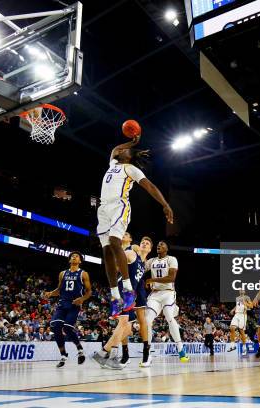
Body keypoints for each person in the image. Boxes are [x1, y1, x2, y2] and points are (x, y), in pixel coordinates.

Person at [97, 133, 174, 317]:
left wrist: (165, 204)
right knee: (107, 250)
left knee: (116, 242)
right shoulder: (113, 163)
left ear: (129, 156)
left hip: (119, 206)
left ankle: (128, 288)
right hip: (103, 208)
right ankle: (115, 296)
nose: (120, 150)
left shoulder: (131, 169)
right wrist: (131, 142)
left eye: (126, 150)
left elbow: (150, 187)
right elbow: (115, 149)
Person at [92, 235, 153, 369]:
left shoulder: (143, 265)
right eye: (143, 241)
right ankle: (107, 355)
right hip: (121, 291)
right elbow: (114, 262)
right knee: (124, 324)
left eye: (147, 243)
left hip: (130, 296)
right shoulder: (132, 254)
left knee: (128, 330)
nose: (144, 243)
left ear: (150, 249)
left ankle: (103, 353)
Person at [44, 251, 92, 368]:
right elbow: (59, 290)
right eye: (72, 256)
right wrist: (50, 293)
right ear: (69, 260)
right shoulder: (62, 273)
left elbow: (89, 292)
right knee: (55, 327)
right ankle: (63, 355)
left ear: (80, 261)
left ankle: (80, 349)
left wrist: (82, 299)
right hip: (62, 304)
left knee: (67, 328)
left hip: (74, 305)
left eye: (77, 256)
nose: (74, 257)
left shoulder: (83, 274)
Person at [145, 241, 189, 362]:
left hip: (168, 292)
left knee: (169, 316)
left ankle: (180, 349)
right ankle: (147, 353)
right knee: (147, 321)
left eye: (162, 244)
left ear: (167, 248)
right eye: (158, 244)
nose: (159, 246)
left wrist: (151, 279)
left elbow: (171, 278)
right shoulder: (151, 261)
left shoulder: (171, 259)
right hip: (155, 294)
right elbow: (139, 270)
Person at [228, 289, 253, 355]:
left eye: (242, 290)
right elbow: (237, 305)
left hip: (243, 315)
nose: (241, 290)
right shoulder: (237, 298)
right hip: (237, 314)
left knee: (241, 332)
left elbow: (251, 306)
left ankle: (244, 348)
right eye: (240, 290)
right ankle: (232, 345)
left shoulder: (247, 297)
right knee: (232, 328)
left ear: (244, 291)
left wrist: (245, 303)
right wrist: (233, 310)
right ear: (239, 291)